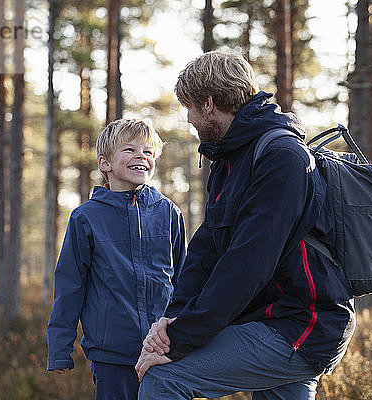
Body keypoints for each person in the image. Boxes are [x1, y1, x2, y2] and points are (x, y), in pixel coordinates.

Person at [134, 51, 356, 400]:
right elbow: (206, 250)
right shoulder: (230, 157)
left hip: (301, 325)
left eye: (190, 107)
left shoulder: (282, 156)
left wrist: (178, 341)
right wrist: (172, 320)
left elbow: (248, 264)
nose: (189, 118)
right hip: (265, 318)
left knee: (165, 378)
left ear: (208, 103)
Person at [47, 119, 187, 400]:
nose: (141, 156)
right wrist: (59, 349)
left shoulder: (168, 213)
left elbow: (184, 280)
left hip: (163, 350)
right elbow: (70, 287)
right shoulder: (86, 217)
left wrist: (189, 335)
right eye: (130, 149)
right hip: (113, 355)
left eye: (148, 152)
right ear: (105, 164)